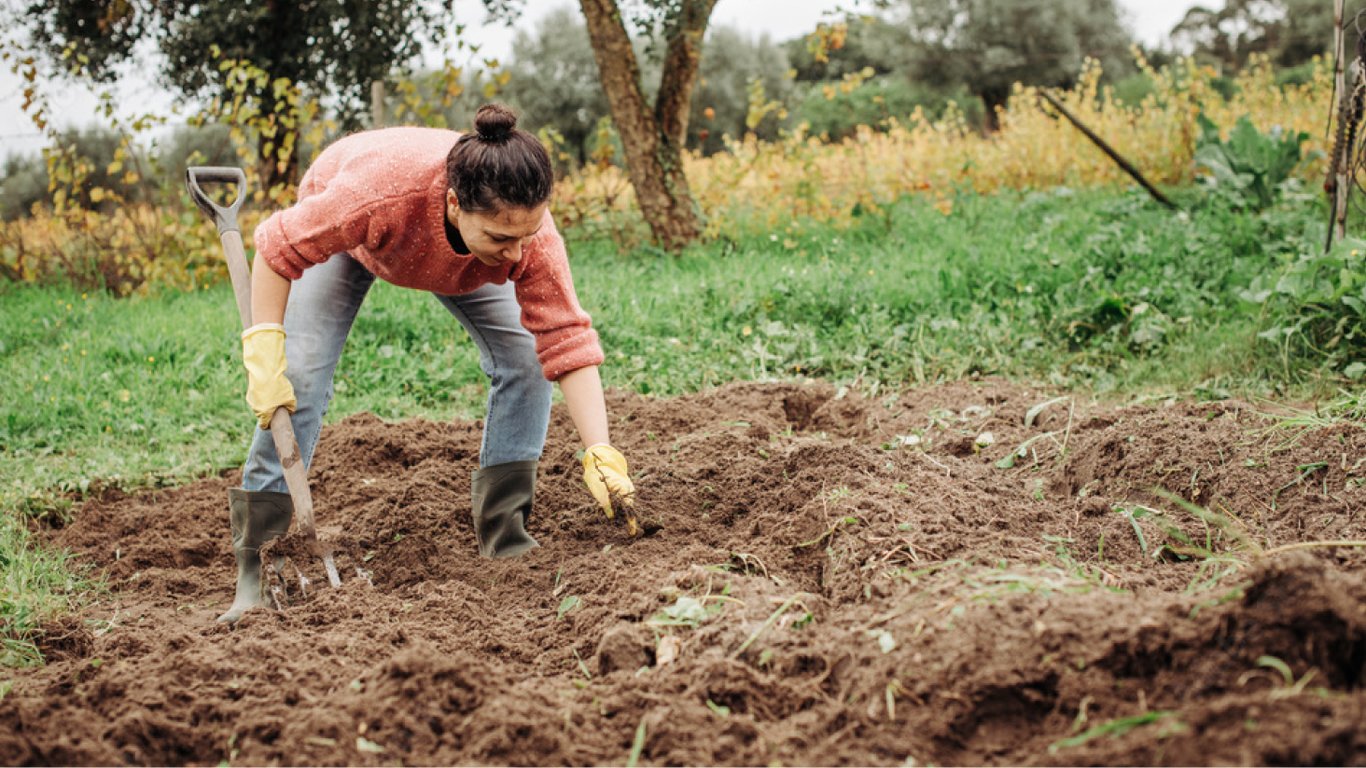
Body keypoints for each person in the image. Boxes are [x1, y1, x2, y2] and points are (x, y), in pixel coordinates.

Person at [218, 103, 636, 624]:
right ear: (456, 203)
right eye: (502, 239)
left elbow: (565, 337)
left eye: (526, 237)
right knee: (298, 375)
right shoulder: (369, 196)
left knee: (526, 358)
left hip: (450, 257)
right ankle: (256, 565)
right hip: (359, 235)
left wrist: (600, 450)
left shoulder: (524, 233)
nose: (516, 256)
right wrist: (264, 347)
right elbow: (277, 247)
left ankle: (506, 536)